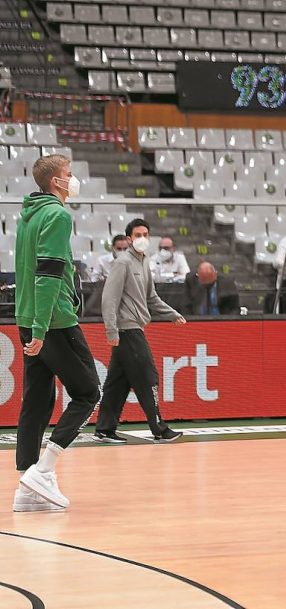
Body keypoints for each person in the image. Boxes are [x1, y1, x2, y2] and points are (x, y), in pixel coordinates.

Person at [13, 154, 101, 512]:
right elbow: (47, 274)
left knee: (36, 399)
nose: (73, 179)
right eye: (69, 174)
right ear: (55, 182)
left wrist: (31, 324)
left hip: (27, 315)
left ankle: (26, 487)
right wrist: (41, 328)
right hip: (54, 321)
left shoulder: (28, 214)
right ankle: (44, 470)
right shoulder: (58, 214)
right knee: (88, 392)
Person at [94, 218, 187, 444]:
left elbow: (151, 298)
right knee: (148, 377)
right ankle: (159, 429)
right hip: (127, 329)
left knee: (118, 381)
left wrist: (171, 313)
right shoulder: (123, 262)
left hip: (134, 327)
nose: (142, 238)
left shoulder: (144, 262)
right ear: (129, 238)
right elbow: (109, 298)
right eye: (137, 235)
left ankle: (104, 429)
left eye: (145, 234)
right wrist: (111, 331)